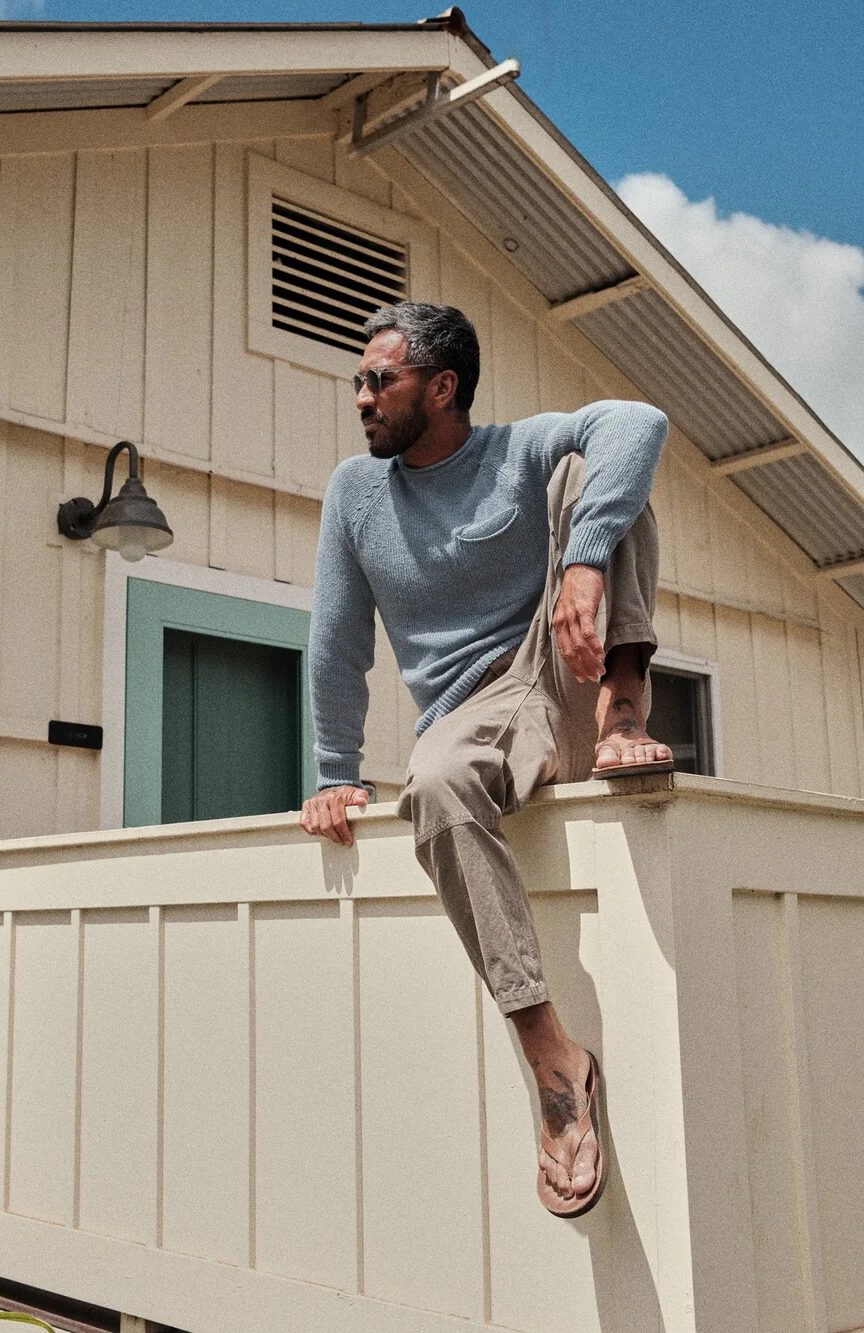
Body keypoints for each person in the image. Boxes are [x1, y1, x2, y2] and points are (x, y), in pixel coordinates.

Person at [299, 302, 673, 1218]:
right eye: (358, 380)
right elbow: (336, 641)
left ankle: (626, 710)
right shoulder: (356, 493)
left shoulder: (520, 450)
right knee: (433, 781)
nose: (360, 397)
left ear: (441, 387)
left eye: (377, 379)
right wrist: (332, 766)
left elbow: (643, 421)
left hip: (569, 669)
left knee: (606, 466)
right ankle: (552, 1058)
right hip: (474, 711)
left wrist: (583, 561)